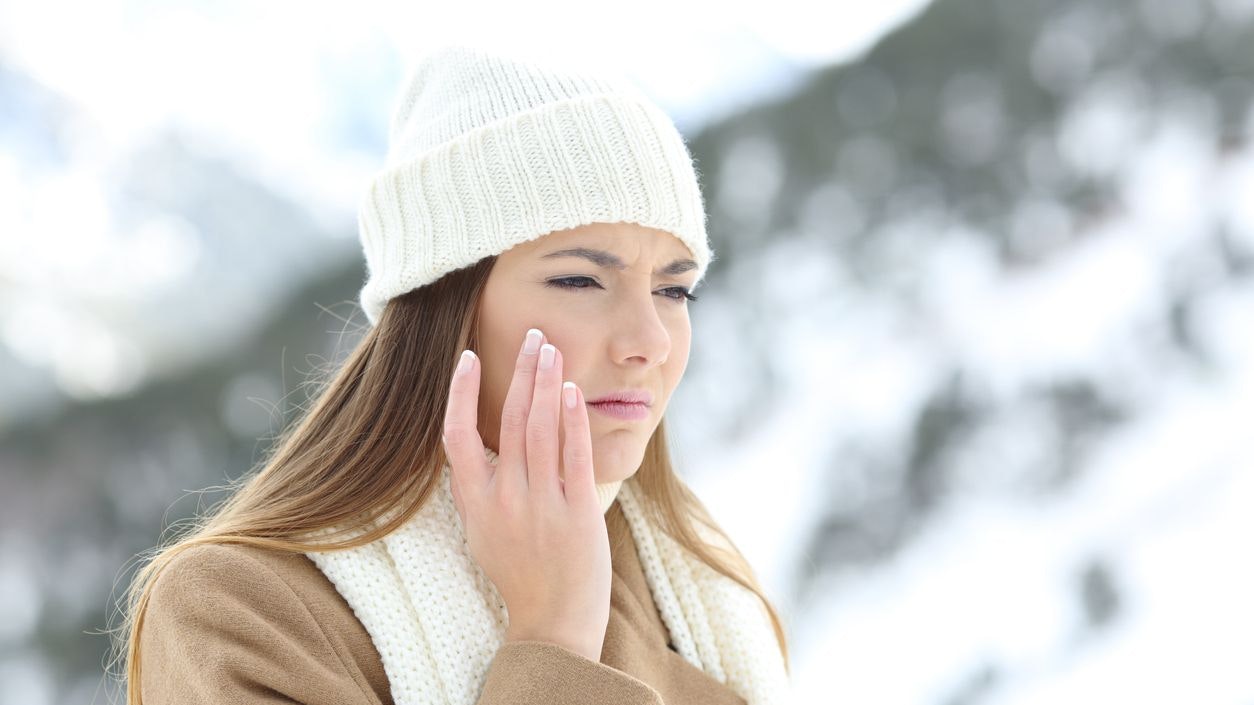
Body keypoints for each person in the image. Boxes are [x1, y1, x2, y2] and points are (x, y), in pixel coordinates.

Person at [112, 43, 791, 705]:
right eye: (581, 279)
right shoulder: (241, 614)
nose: (649, 340)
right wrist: (552, 641)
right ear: (445, 309)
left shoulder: (703, 590)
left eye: (675, 290)